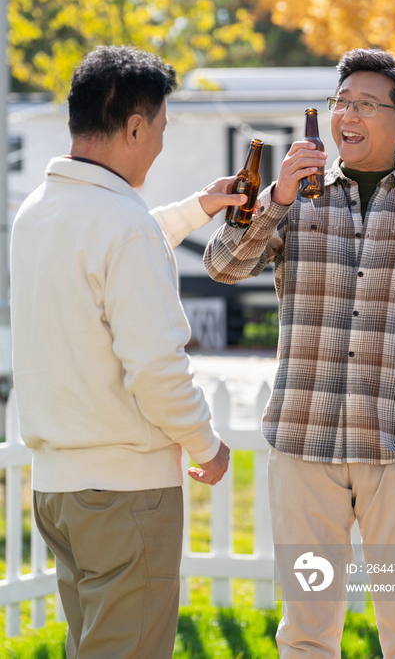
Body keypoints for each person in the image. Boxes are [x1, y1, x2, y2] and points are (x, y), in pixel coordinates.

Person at [204, 48, 395, 659]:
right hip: (304, 452)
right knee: (306, 635)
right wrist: (277, 197)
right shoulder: (296, 199)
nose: (347, 115)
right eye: (340, 102)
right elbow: (221, 264)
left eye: (366, 105)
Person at [10, 45, 248, 659]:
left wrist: (199, 206)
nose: (161, 144)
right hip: (125, 496)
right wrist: (207, 445)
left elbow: (117, 244)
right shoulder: (122, 225)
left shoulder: (38, 213)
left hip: (59, 493)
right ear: (136, 125)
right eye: (161, 129)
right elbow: (156, 367)